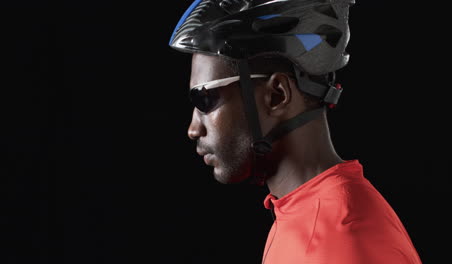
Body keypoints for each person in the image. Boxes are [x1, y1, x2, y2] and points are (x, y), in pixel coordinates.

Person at [169, 0, 422, 263]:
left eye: (205, 101)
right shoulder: (302, 211)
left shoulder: (341, 241)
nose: (193, 129)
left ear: (277, 95)